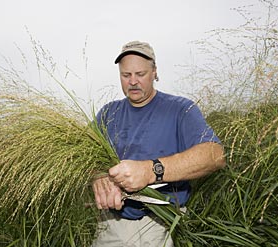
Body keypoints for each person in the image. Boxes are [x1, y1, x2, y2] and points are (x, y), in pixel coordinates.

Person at [91, 41, 226, 247]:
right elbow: (84, 156)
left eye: (140, 74)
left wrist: (150, 171)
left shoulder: (181, 109)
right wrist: (99, 176)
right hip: (113, 224)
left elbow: (214, 155)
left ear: (154, 72)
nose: (133, 82)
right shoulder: (108, 113)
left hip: (162, 222)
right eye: (126, 75)